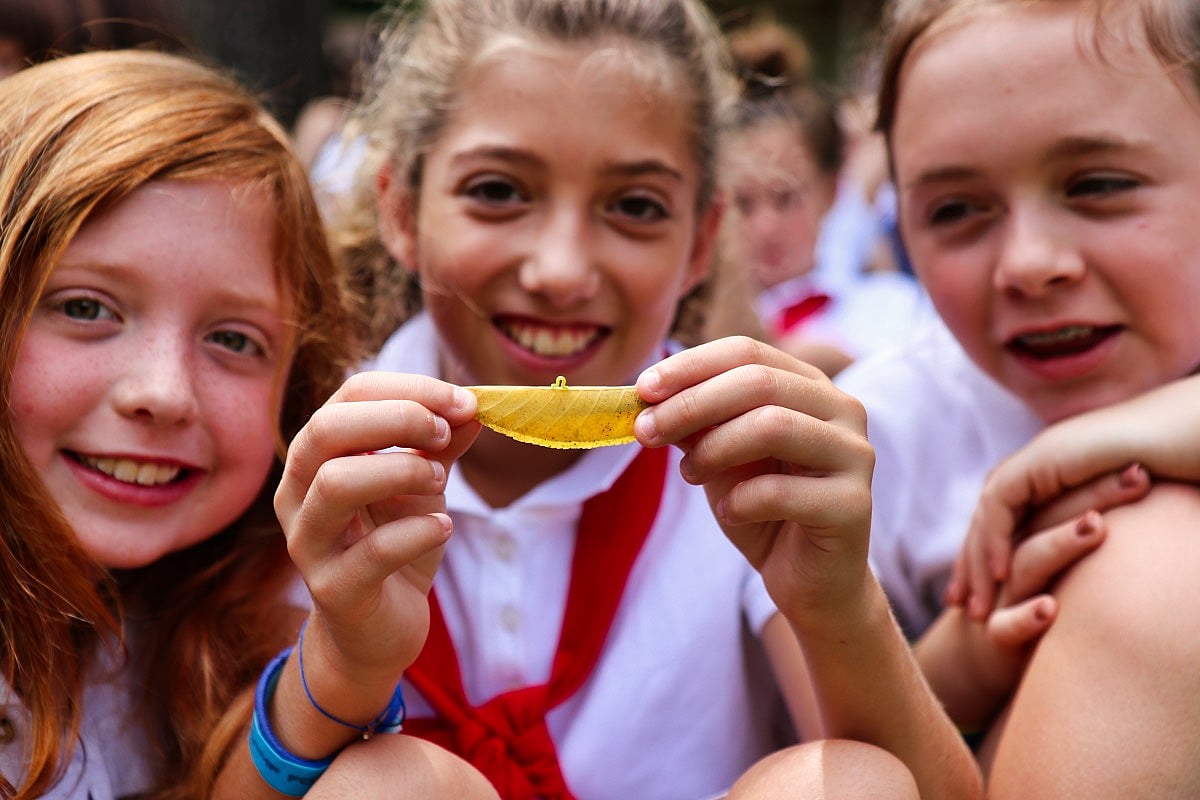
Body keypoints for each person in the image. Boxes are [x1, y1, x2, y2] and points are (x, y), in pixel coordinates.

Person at [260, 1, 983, 798]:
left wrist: (840, 600)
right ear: (401, 208)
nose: (563, 270)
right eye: (499, 190)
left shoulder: (754, 465)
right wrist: (336, 664)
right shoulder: (308, 462)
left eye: (635, 206)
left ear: (702, 241)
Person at [0, 49, 492, 800]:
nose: (162, 394)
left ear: (295, 398)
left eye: (233, 340)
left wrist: (347, 658)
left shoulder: (215, 608)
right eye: (86, 308)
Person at [834, 0, 1200, 792]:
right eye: (956, 210)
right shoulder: (878, 436)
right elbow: (815, 752)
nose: (1029, 264)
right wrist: (956, 663)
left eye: (1098, 184)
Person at [722, 73, 933, 376]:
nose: (765, 227)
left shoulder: (894, 309)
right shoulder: (690, 323)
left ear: (832, 189)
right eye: (743, 203)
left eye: (786, 198)